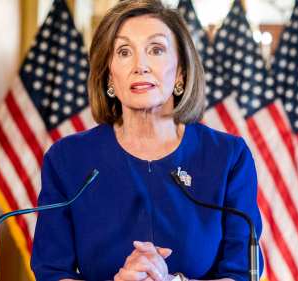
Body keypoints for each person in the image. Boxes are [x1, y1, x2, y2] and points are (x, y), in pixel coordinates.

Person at [30, 0, 263, 280]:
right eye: (125, 51)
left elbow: (243, 271)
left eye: (156, 50)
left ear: (181, 72)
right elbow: (52, 271)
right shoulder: (67, 159)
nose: (140, 65)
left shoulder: (228, 157)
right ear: (108, 77)